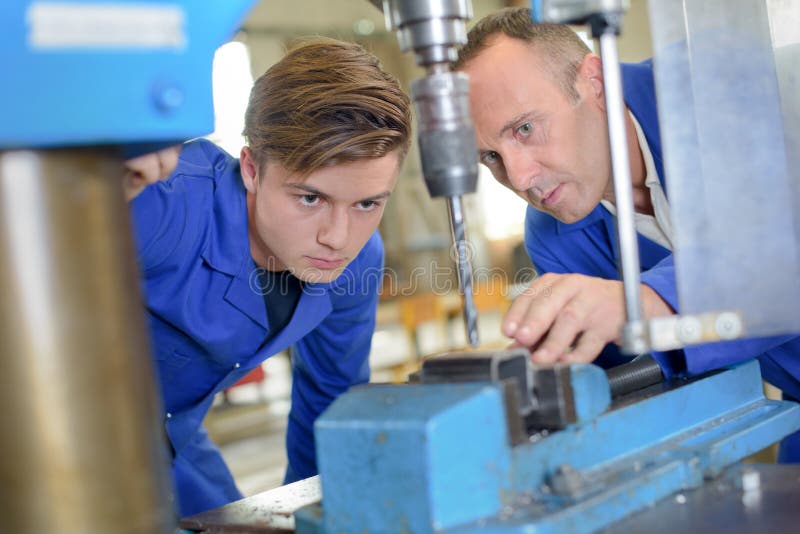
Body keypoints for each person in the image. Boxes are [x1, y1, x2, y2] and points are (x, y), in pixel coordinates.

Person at [454, 7, 800, 459]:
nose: (519, 179)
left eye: (525, 128)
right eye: (491, 157)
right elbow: (627, 384)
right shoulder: (555, 234)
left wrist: (646, 303)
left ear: (594, 82)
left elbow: (783, 237)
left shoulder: (729, 87)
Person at [124, 37, 412, 517]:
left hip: (173, 441)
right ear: (252, 168)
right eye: (310, 198)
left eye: (367, 204)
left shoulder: (357, 264)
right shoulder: (162, 202)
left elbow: (330, 408)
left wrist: (311, 519)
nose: (338, 239)